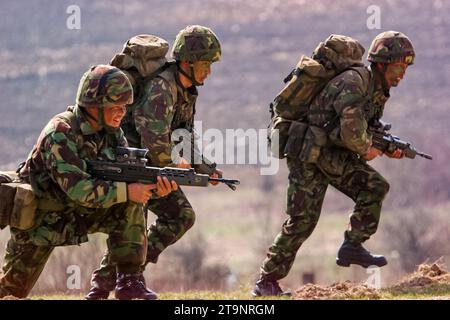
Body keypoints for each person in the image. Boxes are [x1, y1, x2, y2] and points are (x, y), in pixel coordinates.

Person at [252, 31, 415, 297]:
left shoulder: (376, 89)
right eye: (398, 67)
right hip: (307, 152)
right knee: (304, 220)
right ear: (382, 63)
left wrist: (387, 146)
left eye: (405, 69)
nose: (401, 75)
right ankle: (266, 282)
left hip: (328, 152)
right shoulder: (355, 82)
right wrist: (370, 149)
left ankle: (351, 245)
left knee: (371, 189)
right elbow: (353, 132)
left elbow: (365, 126)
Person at [0, 65, 177, 299]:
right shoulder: (60, 132)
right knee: (13, 289)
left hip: (79, 213)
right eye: (115, 106)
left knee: (132, 204)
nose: (121, 113)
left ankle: (129, 281)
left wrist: (154, 189)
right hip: (41, 221)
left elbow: (126, 180)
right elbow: (79, 189)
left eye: (124, 107)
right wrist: (128, 191)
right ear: (93, 105)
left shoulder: (112, 133)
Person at [86, 25, 223, 299]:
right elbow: (152, 133)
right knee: (135, 220)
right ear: (188, 62)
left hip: (151, 165)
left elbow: (184, 135)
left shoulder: (185, 89)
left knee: (180, 216)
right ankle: (117, 285)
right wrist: (173, 166)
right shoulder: (162, 87)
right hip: (130, 164)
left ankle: (109, 282)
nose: (209, 71)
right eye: (205, 64)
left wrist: (206, 168)